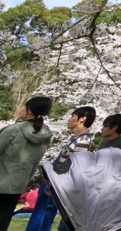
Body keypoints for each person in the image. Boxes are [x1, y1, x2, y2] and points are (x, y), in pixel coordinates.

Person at [25, 105, 94, 231]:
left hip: (56, 182)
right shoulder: (75, 138)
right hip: (52, 180)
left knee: (44, 214)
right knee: (41, 212)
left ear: (82, 119)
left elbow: (74, 165)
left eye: (73, 116)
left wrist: (55, 183)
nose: (69, 119)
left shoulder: (84, 140)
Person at [0, 96, 53, 231]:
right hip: (18, 184)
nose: (21, 109)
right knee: (3, 220)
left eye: (24, 106)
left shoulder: (14, 130)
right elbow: (36, 162)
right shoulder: (45, 134)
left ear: (29, 111)